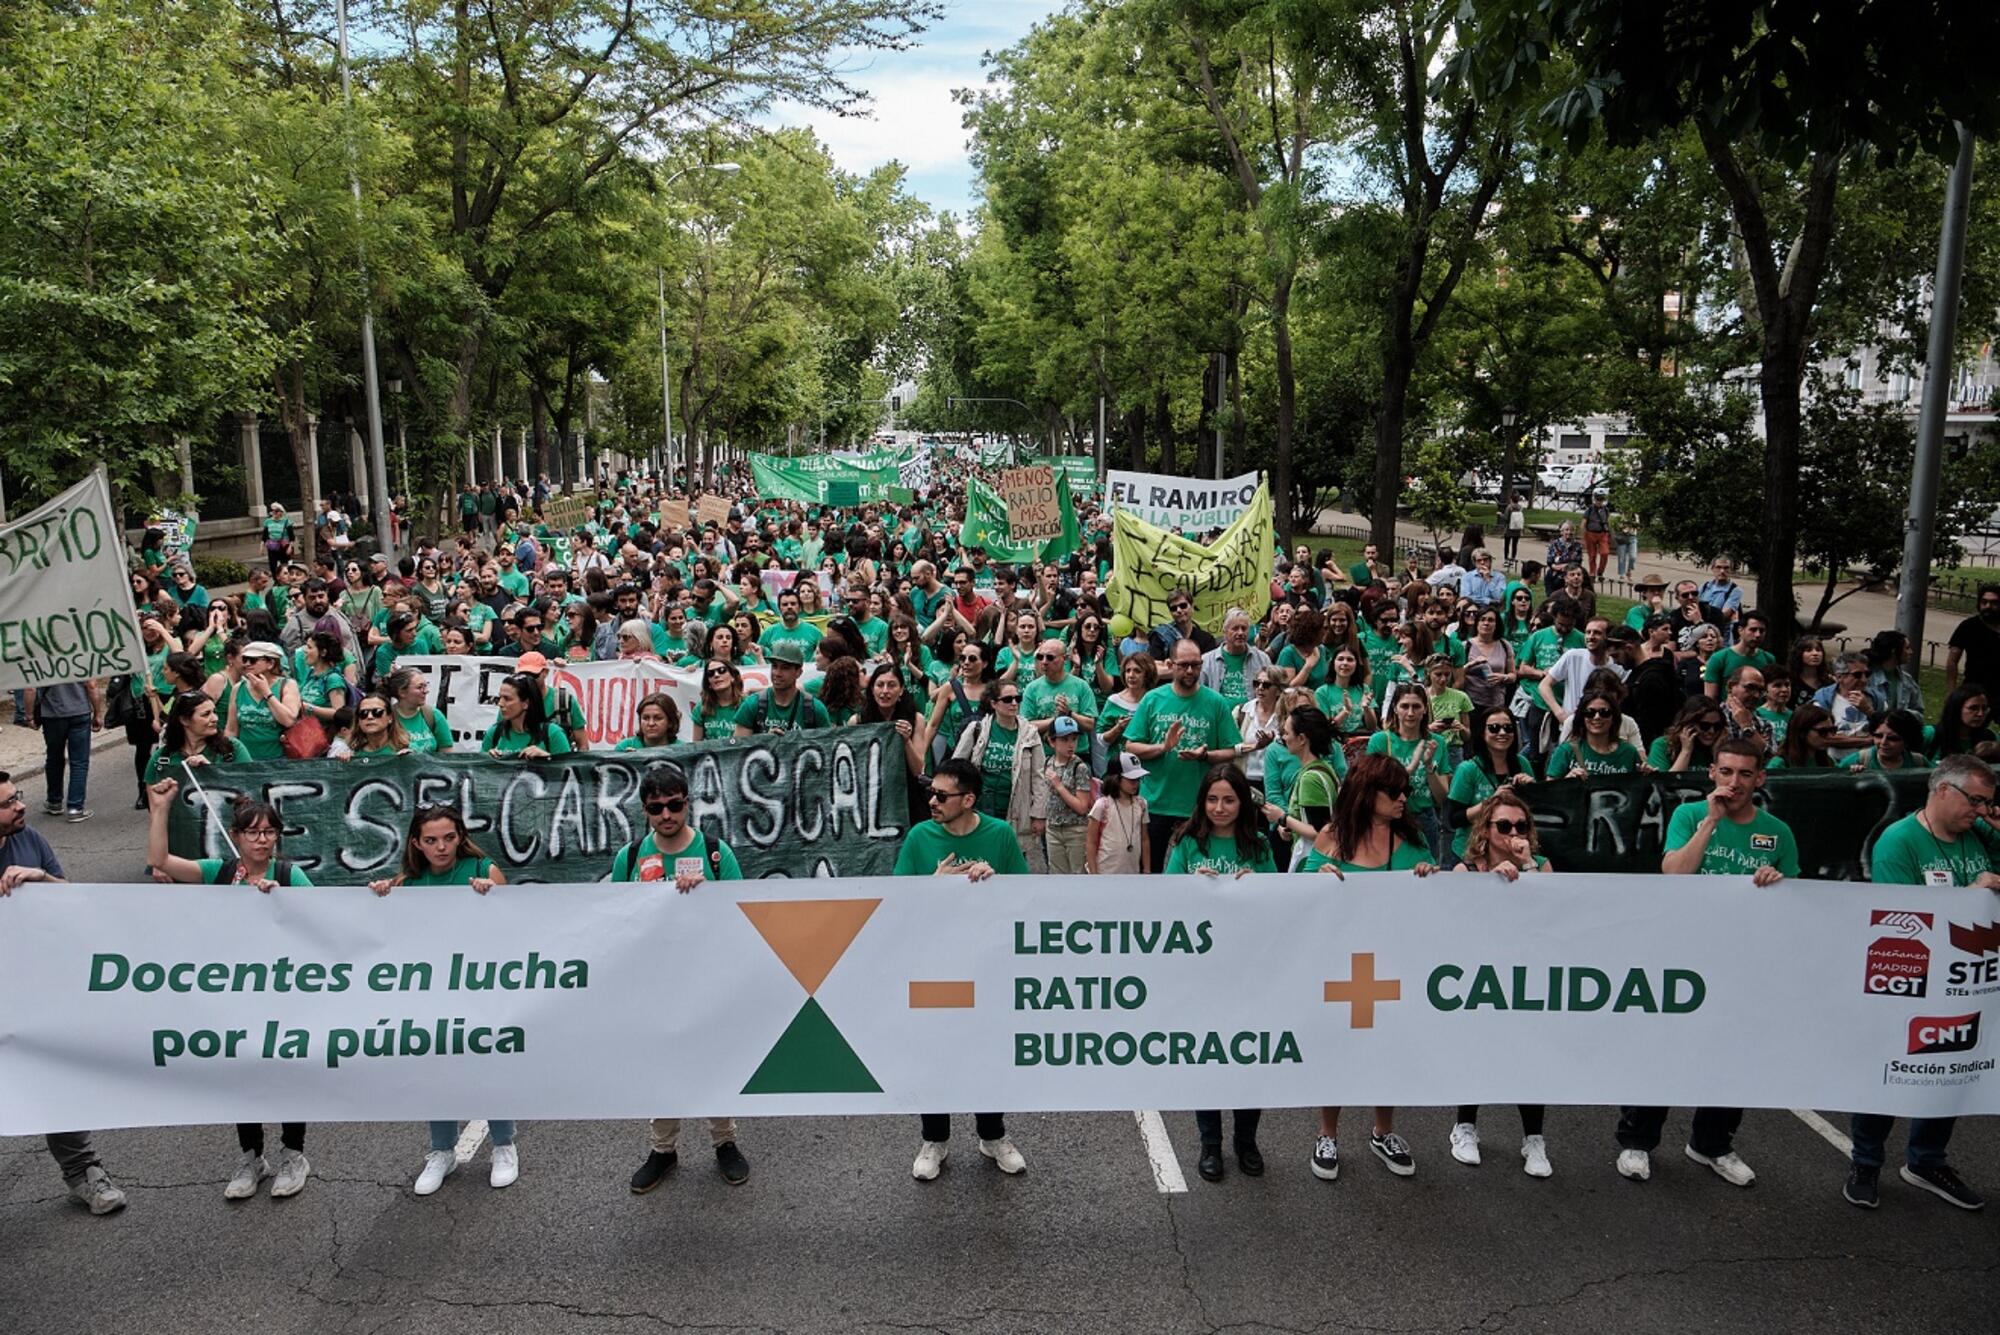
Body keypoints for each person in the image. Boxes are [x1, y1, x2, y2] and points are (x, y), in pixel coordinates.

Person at [1616, 738, 1795, 1189]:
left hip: (1741, 963)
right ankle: (1638, 1141)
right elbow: (1675, 874)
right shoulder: (1689, 815)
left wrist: (1775, 881)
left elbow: (1794, 902)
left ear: (1760, 779)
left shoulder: (1778, 832)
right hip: (1683, 957)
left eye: (1745, 774)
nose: (1735, 783)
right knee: (1665, 1048)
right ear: (1712, 772)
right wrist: (1710, 823)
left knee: (1731, 1054)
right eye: (1727, 772)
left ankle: (1711, 1143)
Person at [145, 778, 315, 1198]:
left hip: (283, 995)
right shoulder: (217, 872)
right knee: (244, 1075)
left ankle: (294, 1153)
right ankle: (252, 1156)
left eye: (269, 832)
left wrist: (283, 903)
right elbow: (160, 860)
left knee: (287, 1073)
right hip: (235, 997)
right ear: (236, 836)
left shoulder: (289, 875)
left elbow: (321, 924)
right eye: (253, 832)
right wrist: (161, 808)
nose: (262, 840)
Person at [1845, 754, 2000, 1211]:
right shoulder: (1899, 841)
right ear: (1943, 791)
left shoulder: (1977, 832)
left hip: (1964, 983)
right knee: (1889, 1071)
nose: (1981, 811)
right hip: (1907, 980)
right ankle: (1865, 1162)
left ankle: (1927, 1161)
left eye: (1988, 803)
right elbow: (1899, 916)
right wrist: (1966, 898)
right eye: (1976, 800)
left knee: (1951, 1070)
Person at [611, 767, 752, 1191]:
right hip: (655, 980)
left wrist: (706, 893)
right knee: (661, 1065)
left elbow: (741, 910)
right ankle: (662, 1150)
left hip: (706, 977)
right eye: (656, 808)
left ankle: (724, 1141)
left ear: (687, 803)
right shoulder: (631, 856)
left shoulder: (714, 852)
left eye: (674, 805)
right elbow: (615, 915)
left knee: (711, 1060)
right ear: (645, 811)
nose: (666, 814)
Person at [1299, 753, 1436, 1183]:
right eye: (1393, 791)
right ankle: (1327, 1134)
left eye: (1405, 791)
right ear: (1366, 792)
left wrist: (1429, 875)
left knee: (1388, 1047)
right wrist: (1314, 877)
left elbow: (1438, 899)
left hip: (1394, 966)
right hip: (1339, 966)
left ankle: (1384, 1130)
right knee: (1336, 1046)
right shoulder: (1331, 839)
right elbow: (1296, 902)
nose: (1402, 798)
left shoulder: (1412, 841)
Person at [368, 805, 518, 1195]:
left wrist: (494, 898)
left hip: (481, 988)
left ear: (460, 836)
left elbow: (518, 927)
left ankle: (504, 1144)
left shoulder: (483, 871)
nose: (441, 847)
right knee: (436, 1069)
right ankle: (441, 1151)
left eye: (449, 838)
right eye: (431, 840)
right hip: (431, 994)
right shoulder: (408, 884)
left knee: (489, 1064)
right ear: (416, 843)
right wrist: (381, 898)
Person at [893, 758, 1029, 1181]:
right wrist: (933, 887)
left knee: (988, 1053)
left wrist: (996, 883)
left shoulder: (1000, 835)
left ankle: (992, 1136)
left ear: (969, 800)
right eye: (930, 793)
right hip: (935, 969)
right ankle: (934, 1139)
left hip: (987, 967)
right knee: (936, 1055)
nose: (931, 801)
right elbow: (896, 905)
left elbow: (1025, 898)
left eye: (941, 795)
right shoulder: (919, 838)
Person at [0, 772, 128, 1215]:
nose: (19, 806)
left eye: (17, 796)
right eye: (7, 803)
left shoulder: (30, 838)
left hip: (35, 988)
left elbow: (70, 899)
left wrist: (40, 879)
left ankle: (83, 1173)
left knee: (56, 1077)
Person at [1165, 765, 1277, 1184]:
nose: (1220, 807)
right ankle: (1210, 1143)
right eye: (1213, 800)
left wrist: (1257, 885)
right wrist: (1193, 886)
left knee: (1249, 1058)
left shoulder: (1259, 845)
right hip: (1202, 973)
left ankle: (1246, 1141)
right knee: (1208, 1058)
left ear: (1242, 802)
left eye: (1229, 799)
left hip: (1250, 970)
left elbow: (1280, 901)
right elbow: (1163, 898)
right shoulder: (1188, 843)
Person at [1450, 791, 1554, 1177]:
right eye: (1504, 825)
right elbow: (1457, 918)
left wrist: (1525, 868)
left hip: (1527, 974)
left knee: (1528, 1053)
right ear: (1486, 829)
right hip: (1481, 976)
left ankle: (1534, 1139)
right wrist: (1489, 888)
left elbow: (1553, 912)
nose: (1513, 832)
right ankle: (1465, 1127)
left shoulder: (1540, 866)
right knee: (1476, 1049)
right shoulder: (1468, 869)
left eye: (1520, 825)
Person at [1121, 638, 1243, 872]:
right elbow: (1131, 746)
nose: (1190, 670)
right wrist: (1163, 748)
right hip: (1155, 803)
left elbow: (1232, 751)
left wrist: (1205, 756)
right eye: (1184, 664)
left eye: (1196, 665)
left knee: (1197, 871)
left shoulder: (1216, 702)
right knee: (1150, 871)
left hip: (1198, 806)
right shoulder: (1152, 699)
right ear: (1170, 664)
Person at [951, 680, 1051, 873]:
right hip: (981, 805)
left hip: (1015, 807)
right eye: (1007, 699)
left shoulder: (1030, 734)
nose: (1014, 703)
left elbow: (1039, 777)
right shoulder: (976, 729)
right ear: (993, 703)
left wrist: (1039, 814)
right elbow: (957, 767)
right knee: (979, 855)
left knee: (1010, 857)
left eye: (1017, 698)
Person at [1364, 686, 1451, 860]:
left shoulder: (1437, 742)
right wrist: (1410, 768)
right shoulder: (1380, 740)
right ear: (1395, 708)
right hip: (1389, 818)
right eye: (1404, 706)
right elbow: (1370, 787)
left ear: (1425, 709)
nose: (1410, 713)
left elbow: (1441, 797)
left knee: (1427, 873)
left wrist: (1428, 767)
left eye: (1416, 706)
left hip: (1424, 818)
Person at [1445, 706, 1537, 866]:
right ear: (1483, 733)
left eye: (1508, 728)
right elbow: (1453, 819)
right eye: (1494, 728)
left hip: (1513, 852)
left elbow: (1532, 812)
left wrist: (1531, 789)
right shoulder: (1468, 769)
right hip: (1471, 856)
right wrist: (1491, 802)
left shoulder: (1523, 764)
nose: (1502, 733)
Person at [29, 679, 100, 823]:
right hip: (79, 711)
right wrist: (98, 713)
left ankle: (54, 801)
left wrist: (29, 715)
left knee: (54, 758)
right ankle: (75, 808)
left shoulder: (40, 658)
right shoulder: (80, 656)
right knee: (79, 762)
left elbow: (30, 689)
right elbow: (92, 685)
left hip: (52, 714)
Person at [224, 641, 303, 761]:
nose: (247, 664)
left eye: (253, 660)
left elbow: (288, 720)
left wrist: (266, 693)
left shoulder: (287, 685)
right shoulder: (238, 688)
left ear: (270, 663)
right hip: (246, 761)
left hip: (280, 759)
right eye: (245, 659)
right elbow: (231, 729)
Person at [1544, 691, 1646, 778]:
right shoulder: (1566, 751)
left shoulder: (1629, 752)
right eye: (1590, 712)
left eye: (1604, 712)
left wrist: (1648, 775)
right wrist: (1567, 781)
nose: (1597, 717)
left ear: (1614, 717)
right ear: (1582, 717)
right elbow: (1549, 791)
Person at [734, 643, 831, 735]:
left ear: (798, 672)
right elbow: (739, 748)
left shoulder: (815, 709)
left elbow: (826, 746)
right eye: (775, 666)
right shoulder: (752, 704)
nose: (777, 673)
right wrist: (764, 741)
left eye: (785, 668)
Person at [1042, 717, 1094, 873]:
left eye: (1074, 739)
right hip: (1053, 828)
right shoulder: (1048, 762)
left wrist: (1059, 786)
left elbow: (1082, 807)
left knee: (1078, 873)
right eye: (1064, 739)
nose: (1071, 744)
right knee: (1057, 873)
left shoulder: (1080, 767)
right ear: (1052, 742)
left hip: (1075, 830)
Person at [481, 672, 572, 757]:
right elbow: (478, 772)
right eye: (500, 697)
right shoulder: (494, 733)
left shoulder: (553, 734)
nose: (500, 703)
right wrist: (488, 762)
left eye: (507, 699)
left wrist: (546, 758)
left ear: (526, 703)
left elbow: (568, 771)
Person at [1087, 753, 1149, 875]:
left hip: (1132, 872)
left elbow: (1145, 839)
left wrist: (1146, 869)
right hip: (1106, 872)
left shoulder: (1141, 804)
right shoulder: (1102, 805)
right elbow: (1091, 842)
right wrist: (1093, 874)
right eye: (1131, 780)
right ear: (1116, 778)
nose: (1136, 783)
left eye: (1138, 779)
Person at [383, 667, 457, 754]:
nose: (426, 691)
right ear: (402, 692)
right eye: (420, 687)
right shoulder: (386, 718)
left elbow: (447, 753)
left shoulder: (433, 715)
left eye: (426, 685)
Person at [1944, 583, 2000, 693]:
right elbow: (1952, 661)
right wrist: (1951, 692)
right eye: (1984, 602)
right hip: (1976, 691)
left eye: (1994, 603)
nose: (1988, 606)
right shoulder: (1968, 626)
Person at [1839, 710, 1929, 772]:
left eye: (1893, 738)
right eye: (1878, 736)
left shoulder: (1919, 762)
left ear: (1907, 740)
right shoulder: (1857, 760)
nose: (1883, 742)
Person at [329, 693, 411, 759]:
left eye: (377, 712)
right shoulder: (352, 754)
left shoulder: (405, 749)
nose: (370, 717)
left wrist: (409, 760)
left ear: (390, 718)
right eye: (363, 713)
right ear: (358, 721)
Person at [614, 692, 682, 751]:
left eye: (658, 718)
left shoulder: (682, 750)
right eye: (645, 718)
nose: (651, 723)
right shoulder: (624, 747)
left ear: (670, 722)